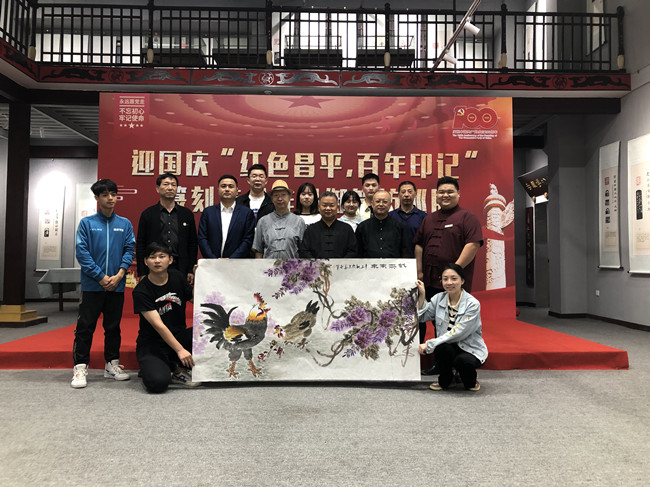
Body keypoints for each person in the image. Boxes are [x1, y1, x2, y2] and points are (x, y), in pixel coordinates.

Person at [414, 176, 483, 375]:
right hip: (430, 280)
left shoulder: (467, 217)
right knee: (427, 318)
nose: (445, 195)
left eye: (450, 191)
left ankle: (454, 362)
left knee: (450, 323)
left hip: (452, 284)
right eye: (441, 192)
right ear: (436, 195)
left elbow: (473, 244)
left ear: (458, 194)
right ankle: (432, 361)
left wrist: (453, 273)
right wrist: (419, 271)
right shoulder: (429, 218)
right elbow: (419, 244)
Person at [71, 179, 135, 389]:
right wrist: (100, 276)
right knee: (85, 327)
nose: (110, 198)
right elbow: (82, 253)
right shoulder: (87, 223)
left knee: (113, 327)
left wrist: (120, 274)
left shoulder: (124, 224)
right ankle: (80, 367)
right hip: (92, 286)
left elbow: (129, 250)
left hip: (116, 285)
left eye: (113, 194)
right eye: (105, 195)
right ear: (97, 198)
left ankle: (112, 364)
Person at [133, 242, 198, 393]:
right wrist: (180, 350)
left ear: (170, 260)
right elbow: (159, 325)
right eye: (152, 257)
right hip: (153, 344)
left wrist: (199, 278)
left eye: (162, 256)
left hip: (178, 336)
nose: (157, 261)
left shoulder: (177, 277)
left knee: (206, 331)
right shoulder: (141, 291)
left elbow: (196, 300)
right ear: (145, 261)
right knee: (158, 383)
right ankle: (160, 366)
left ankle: (176, 368)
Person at [416, 263, 487, 391]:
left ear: (462, 281)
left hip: (469, 348)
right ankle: (447, 380)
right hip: (448, 346)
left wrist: (429, 344)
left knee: (464, 366)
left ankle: (471, 379)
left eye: (454, 278)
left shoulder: (473, 304)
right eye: (445, 279)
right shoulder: (438, 298)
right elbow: (422, 317)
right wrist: (422, 295)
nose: (449, 282)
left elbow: (459, 332)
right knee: (441, 348)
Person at [136, 173, 198, 284]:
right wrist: (141, 272)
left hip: (180, 267)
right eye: (166, 184)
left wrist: (190, 270)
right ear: (157, 188)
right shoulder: (148, 214)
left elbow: (192, 244)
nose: (170, 188)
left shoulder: (186, 214)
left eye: (173, 185)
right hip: (155, 267)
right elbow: (141, 244)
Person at [198, 174, 256, 259]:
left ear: (237, 191)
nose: (227, 189)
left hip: (237, 263)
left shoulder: (246, 213)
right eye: (223, 186)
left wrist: (231, 260)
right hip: (212, 263)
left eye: (231, 186)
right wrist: (213, 259)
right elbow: (202, 238)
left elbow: (247, 240)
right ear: (218, 190)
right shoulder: (208, 212)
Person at [253, 180, 307, 259]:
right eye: (276, 195)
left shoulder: (299, 221)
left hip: (292, 266)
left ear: (289, 197)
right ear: (272, 198)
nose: (280, 199)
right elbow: (258, 251)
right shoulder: (263, 221)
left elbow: (303, 251)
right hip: (268, 266)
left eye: (283, 195)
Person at [299, 191, 357, 258]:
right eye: (324, 205)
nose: (328, 208)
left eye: (332, 205)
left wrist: (341, 263)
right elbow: (305, 251)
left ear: (337, 207)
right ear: (319, 207)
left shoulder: (347, 229)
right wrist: (316, 263)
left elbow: (353, 251)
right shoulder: (310, 230)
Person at [356, 190, 410, 258]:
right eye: (378, 201)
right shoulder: (362, 227)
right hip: (368, 264)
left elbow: (405, 252)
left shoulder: (400, 226)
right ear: (372, 204)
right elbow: (358, 252)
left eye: (385, 202)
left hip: (394, 264)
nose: (381, 204)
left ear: (390, 205)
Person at [389, 180, 426, 257]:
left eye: (410, 191)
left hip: (416, 260)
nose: (406, 195)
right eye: (403, 192)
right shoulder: (390, 216)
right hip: (394, 260)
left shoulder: (424, 217)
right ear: (398, 195)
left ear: (415, 194)